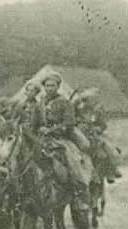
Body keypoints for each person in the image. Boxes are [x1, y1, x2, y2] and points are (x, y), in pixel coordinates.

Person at [31, 72, 94, 210]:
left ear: (57, 86)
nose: (49, 88)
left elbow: (70, 123)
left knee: (71, 160)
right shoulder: (39, 104)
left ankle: (80, 193)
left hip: (62, 138)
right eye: (47, 86)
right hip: (42, 139)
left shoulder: (65, 103)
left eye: (52, 85)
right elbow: (33, 124)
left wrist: (52, 130)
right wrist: (36, 131)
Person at [75, 89, 122, 182]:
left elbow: (103, 125)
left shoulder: (97, 111)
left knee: (106, 148)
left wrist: (97, 128)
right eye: (88, 100)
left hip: (94, 133)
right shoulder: (79, 110)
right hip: (80, 132)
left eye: (93, 100)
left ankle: (111, 170)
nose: (92, 102)